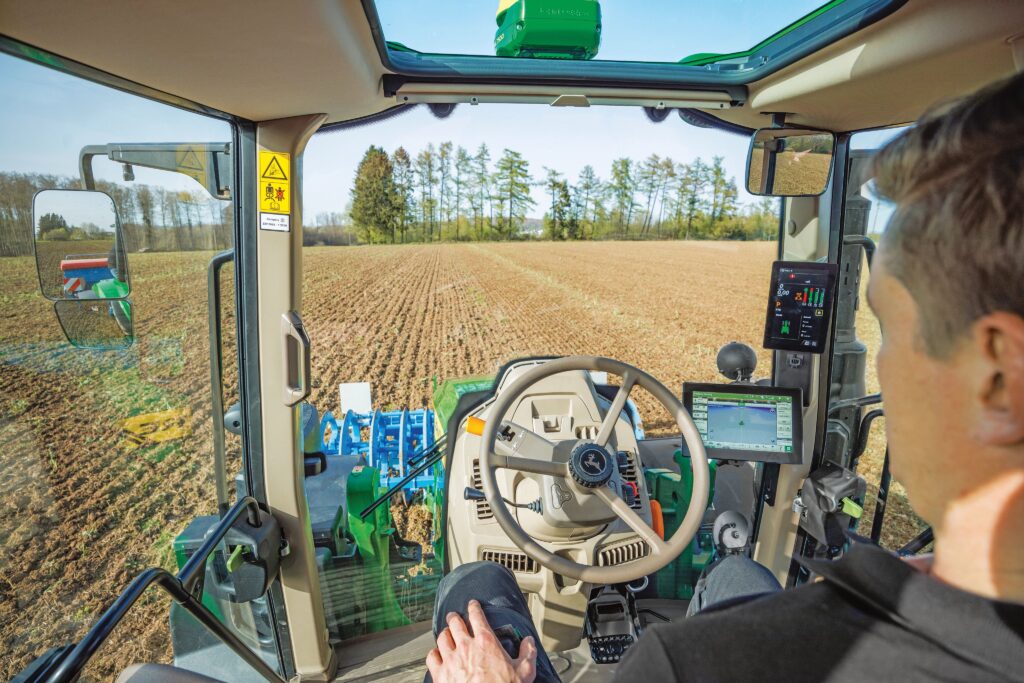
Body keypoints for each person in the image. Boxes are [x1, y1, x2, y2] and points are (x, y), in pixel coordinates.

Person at [424, 70, 1024, 683]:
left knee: (474, 587)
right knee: (737, 574)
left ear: (998, 375)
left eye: (890, 330)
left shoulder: (684, 664)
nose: (882, 368)